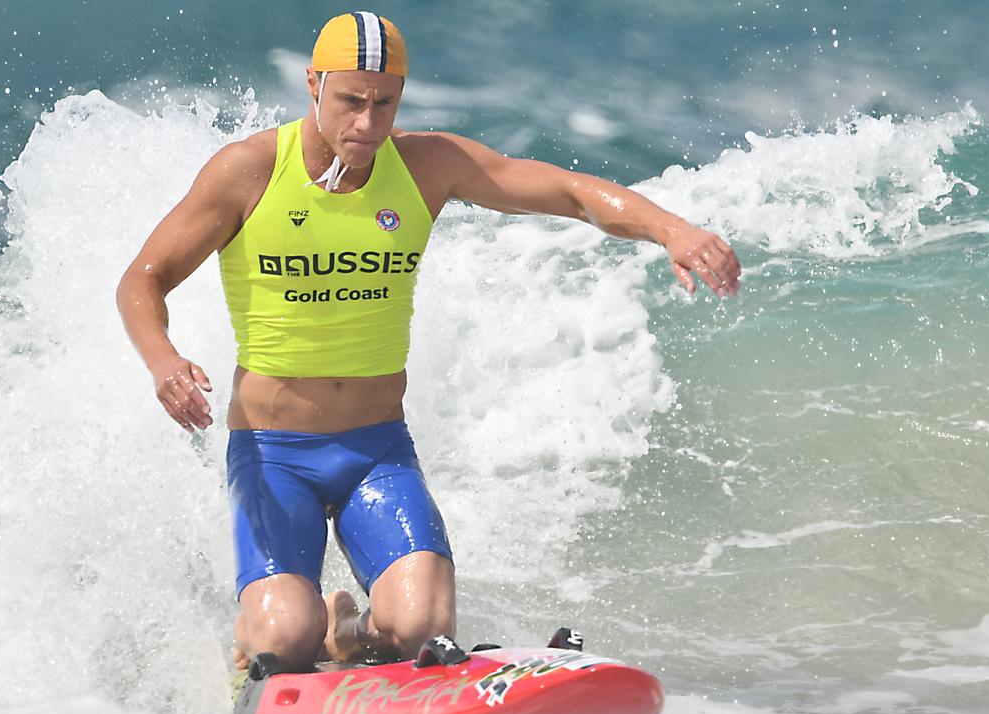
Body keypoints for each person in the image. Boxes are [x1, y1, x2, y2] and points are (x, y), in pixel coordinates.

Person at [116, 11, 740, 672]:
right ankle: (260, 644)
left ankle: (344, 633)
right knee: (281, 640)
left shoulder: (425, 166)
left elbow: (565, 190)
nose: (367, 123)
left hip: (376, 451)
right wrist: (163, 361)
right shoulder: (248, 171)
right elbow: (143, 279)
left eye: (385, 104)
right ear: (313, 85)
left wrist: (671, 230)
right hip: (274, 454)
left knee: (420, 629)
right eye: (351, 101)